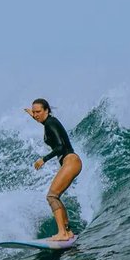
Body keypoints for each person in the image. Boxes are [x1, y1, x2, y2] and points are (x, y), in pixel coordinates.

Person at [25, 99, 82, 241]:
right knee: (55, 196)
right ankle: (67, 232)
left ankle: (62, 233)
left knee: (51, 196)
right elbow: (42, 120)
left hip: (71, 160)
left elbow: (61, 147)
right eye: (34, 112)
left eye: (38, 112)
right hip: (70, 162)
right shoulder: (48, 122)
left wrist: (43, 159)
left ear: (47, 111)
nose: (36, 114)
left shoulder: (51, 123)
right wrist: (33, 116)